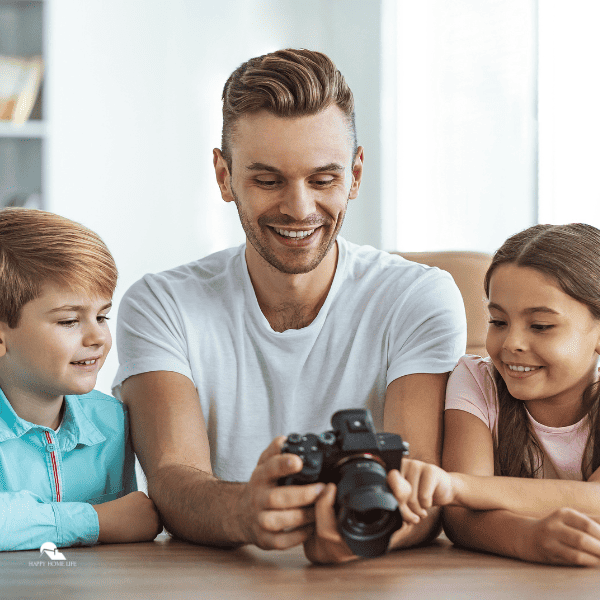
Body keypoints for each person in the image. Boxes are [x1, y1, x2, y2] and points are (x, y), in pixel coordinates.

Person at [113, 48, 466, 563]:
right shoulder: (161, 304)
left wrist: (344, 542)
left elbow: (420, 489)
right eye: (268, 180)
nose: (299, 209)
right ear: (223, 175)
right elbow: (171, 480)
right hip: (213, 578)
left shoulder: (418, 298)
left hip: (374, 580)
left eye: (323, 180)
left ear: (356, 173)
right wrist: (244, 512)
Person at [387, 223, 600, 567]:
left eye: (541, 326)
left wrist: (457, 487)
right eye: (498, 321)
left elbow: (596, 500)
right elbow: (459, 517)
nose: (512, 343)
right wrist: (529, 538)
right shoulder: (476, 379)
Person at [0, 208, 161, 551]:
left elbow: (131, 523)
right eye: (69, 321)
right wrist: (96, 520)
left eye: (102, 315)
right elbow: (115, 521)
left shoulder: (111, 421)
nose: (98, 337)